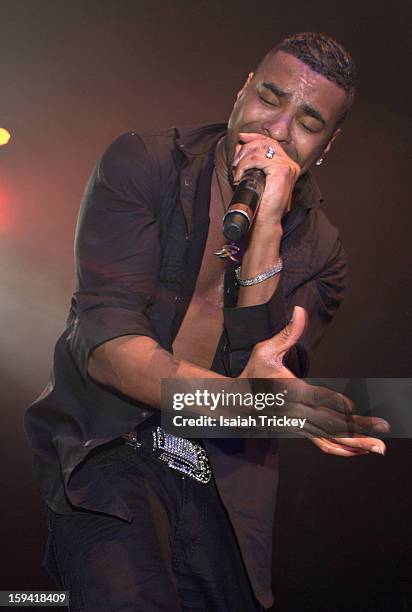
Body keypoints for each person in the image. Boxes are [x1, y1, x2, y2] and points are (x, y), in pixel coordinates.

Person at [25, 32, 389, 611]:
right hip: (114, 445)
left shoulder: (323, 254)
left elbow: (267, 377)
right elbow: (108, 347)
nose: (277, 129)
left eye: (308, 121)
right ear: (243, 89)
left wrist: (267, 230)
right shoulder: (143, 164)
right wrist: (247, 402)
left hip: (224, 480)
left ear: (327, 145)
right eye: (270, 98)